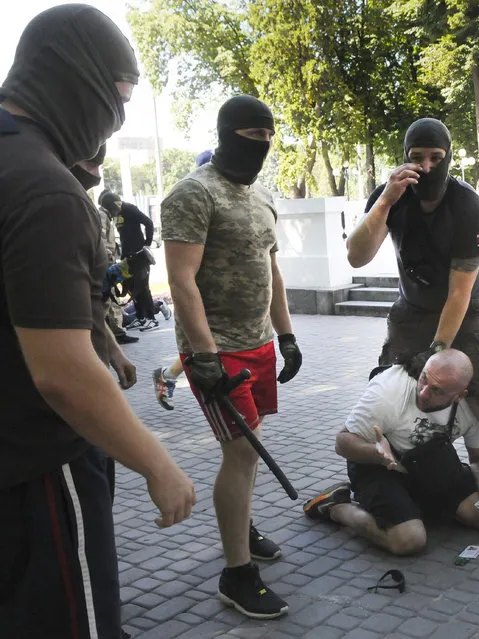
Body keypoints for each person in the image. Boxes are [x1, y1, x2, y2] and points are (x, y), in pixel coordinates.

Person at [0, 6, 196, 639]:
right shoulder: (45, 188)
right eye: (118, 96)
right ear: (74, 78)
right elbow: (62, 375)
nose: (118, 118)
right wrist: (157, 464)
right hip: (37, 471)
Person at [345, 117, 479, 559]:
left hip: (466, 309)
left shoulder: (466, 205)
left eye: (435, 158)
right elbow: (358, 257)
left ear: (448, 159)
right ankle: (385, 483)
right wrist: (385, 202)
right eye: (416, 157)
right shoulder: (391, 197)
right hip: (410, 311)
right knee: (395, 390)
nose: (425, 165)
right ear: (404, 158)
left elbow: (459, 293)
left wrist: (438, 352)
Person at [161, 98, 302, 619]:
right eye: (251, 134)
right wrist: (203, 356)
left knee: (253, 442)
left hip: (260, 342)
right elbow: (180, 281)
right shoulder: (192, 194)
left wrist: (286, 336)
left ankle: (240, 524)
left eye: (269, 135)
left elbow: (273, 272)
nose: (262, 144)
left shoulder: (262, 194)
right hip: (216, 350)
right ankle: (236, 572)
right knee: (242, 452)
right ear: (225, 134)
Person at [304, 350, 479, 554]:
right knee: (409, 541)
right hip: (377, 465)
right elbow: (342, 442)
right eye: (423, 379)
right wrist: (376, 452)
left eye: (437, 390)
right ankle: (336, 507)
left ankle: (415, 505)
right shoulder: (388, 391)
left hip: (430, 461)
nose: (424, 392)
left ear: (460, 395)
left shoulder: (473, 406)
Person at [153, 149, 213, 410]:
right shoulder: (191, 197)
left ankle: (167, 375)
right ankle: (167, 376)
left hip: (218, 299)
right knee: (201, 348)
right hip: (200, 295)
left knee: (209, 347)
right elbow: (180, 272)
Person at [72, 146, 139, 345]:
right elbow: (99, 242)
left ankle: (115, 332)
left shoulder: (107, 216)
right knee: (107, 300)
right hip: (104, 265)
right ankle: (116, 332)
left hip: (108, 262)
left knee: (109, 301)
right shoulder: (100, 215)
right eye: (117, 204)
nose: (120, 207)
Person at [100, 192, 157, 331]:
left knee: (142, 286)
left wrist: (146, 244)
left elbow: (148, 223)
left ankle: (151, 319)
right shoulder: (111, 214)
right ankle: (140, 317)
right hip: (127, 255)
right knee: (132, 287)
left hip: (138, 254)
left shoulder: (129, 208)